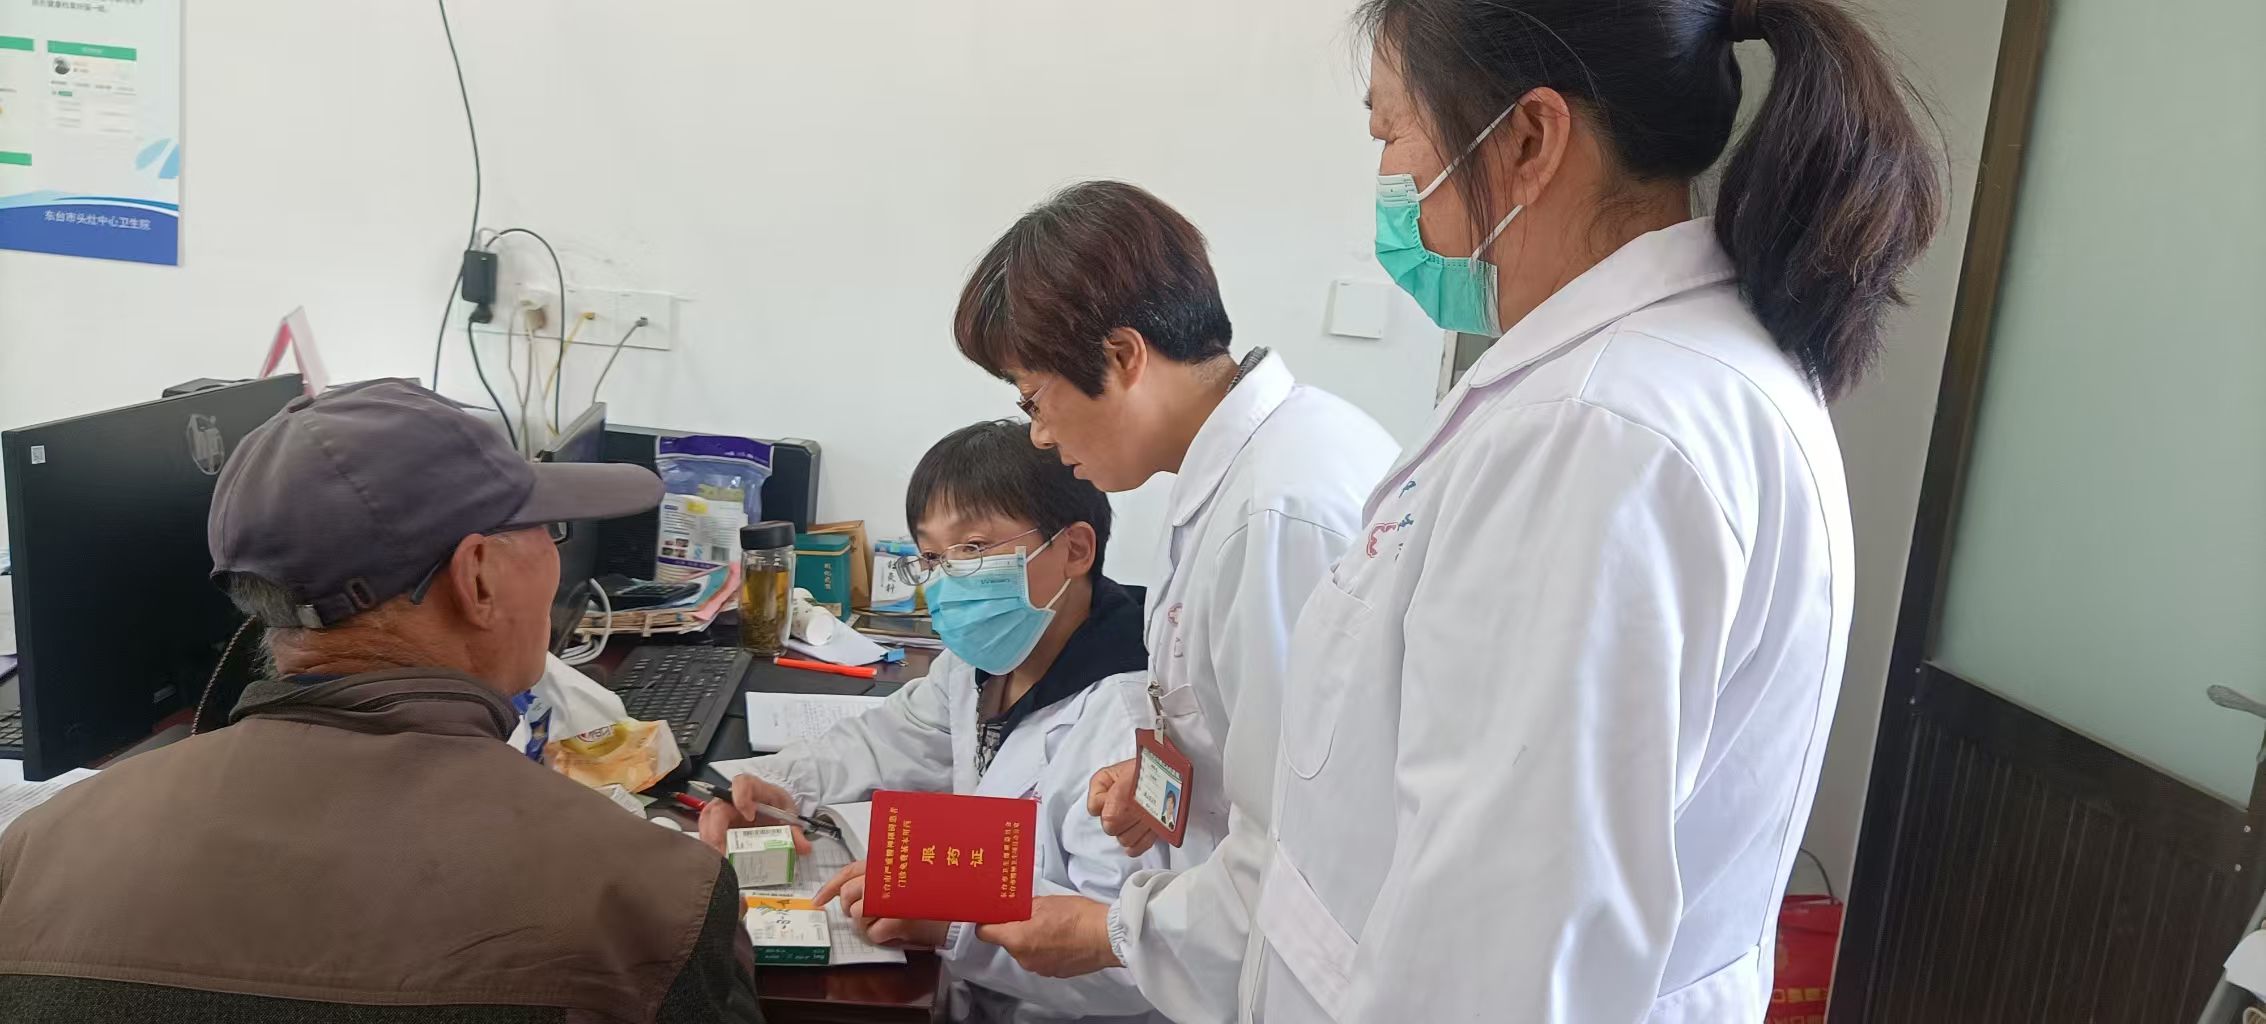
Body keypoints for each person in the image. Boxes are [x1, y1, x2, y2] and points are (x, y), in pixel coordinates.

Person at [1246, 0, 1931, 1020]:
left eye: (1391, 130)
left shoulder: (1600, 431)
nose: (1387, 178)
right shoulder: (1641, 388)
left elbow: (1496, 961)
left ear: (1528, 139)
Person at [0, 380, 762, 1024]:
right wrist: (713, 908)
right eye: (550, 531)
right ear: (478, 578)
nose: (557, 561)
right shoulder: (652, 899)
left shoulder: (29, 857)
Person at [952, 181, 1399, 1023]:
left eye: (1034, 397)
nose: (1038, 433)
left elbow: (1310, 846)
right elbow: (1257, 735)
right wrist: (1168, 776)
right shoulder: (1235, 475)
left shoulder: (1277, 514)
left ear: (1124, 356)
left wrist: (1111, 933)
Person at [695, 420, 1168, 1024]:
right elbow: (885, 741)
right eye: (933, 556)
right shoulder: (984, 659)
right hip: (975, 991)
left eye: (973, 547)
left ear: (1075, 549)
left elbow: (1131, 960)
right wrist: (782, 788)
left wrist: (949, 922)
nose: (948, 579)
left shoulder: (1130, 725)